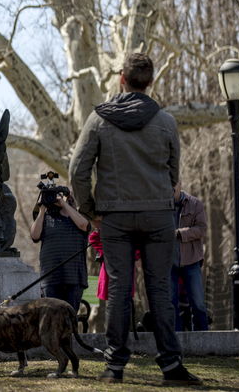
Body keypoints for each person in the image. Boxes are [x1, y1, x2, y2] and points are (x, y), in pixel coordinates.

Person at [69, 52, 201, 386]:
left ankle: (115, 366)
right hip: (158, 216)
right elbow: (174, 174)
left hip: (115, 216)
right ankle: (171, 366)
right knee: (159, 290)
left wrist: (91, 211)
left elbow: (77, 170)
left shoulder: (99, 120)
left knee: (118, 290)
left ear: (122, 79)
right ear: (150, 82)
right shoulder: (166, 122)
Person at [30, 193, 89, 312]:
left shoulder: (79, 219)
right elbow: (34, 235)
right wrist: (42, 208)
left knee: (70, 316)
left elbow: (84, 225)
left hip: (74, 278)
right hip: (50, 278)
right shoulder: (45, 219)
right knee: (51, 317)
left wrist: (64, 204)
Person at [171, 183, 209, 331]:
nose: (170, 188)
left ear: (179, 185)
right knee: (170, 303)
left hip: (191, 260)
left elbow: (202, 229)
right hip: (169, 263)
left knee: (198, 302)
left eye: (173, 184)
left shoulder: (195, 203)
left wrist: (180, 233)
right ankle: (175, 341)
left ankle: (203, 339)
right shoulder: (160, 205)